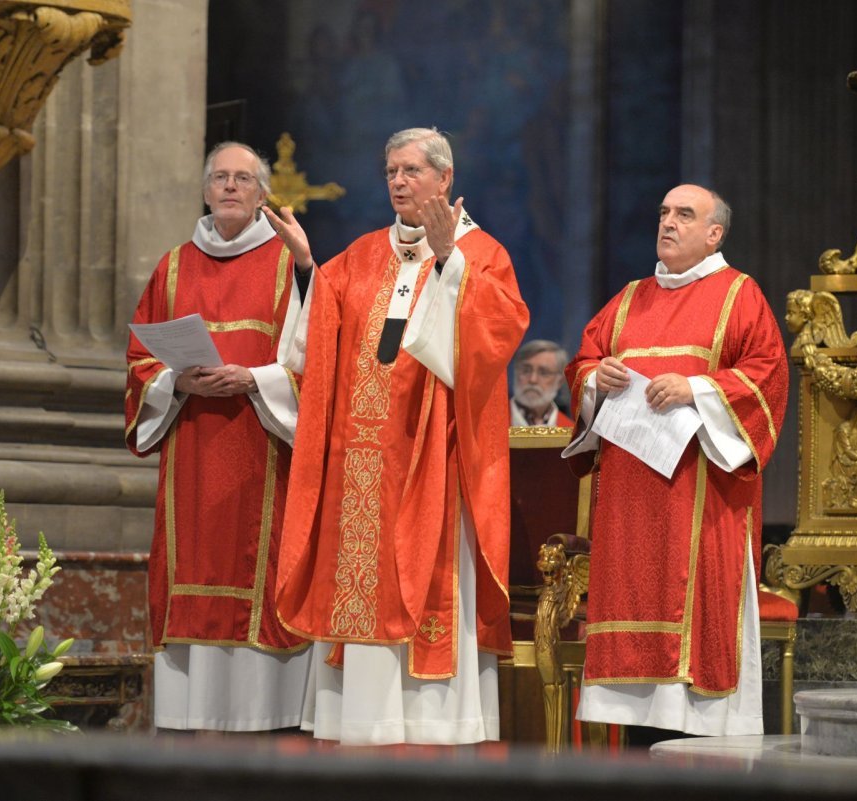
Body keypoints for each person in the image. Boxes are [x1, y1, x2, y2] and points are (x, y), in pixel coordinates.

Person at [263, 127, 528, 745]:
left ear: (445, 180)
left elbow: (494, 337)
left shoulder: (481, 252)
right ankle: (361, 718)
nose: (399, 182)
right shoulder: (358, 256)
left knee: (427, 575)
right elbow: (315, 341)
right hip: (359, 460)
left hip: (433, 457)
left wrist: (447, 260)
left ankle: (432, 725)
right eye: (390, 172)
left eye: (411, 171)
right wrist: (306, 267)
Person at [562, 184, 788, 737]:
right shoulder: (629, 298)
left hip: (701, 499)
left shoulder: (739, 295)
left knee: (692, 694)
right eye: (663, 212)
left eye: (684, 214)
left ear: (714, 233)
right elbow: (584, 363)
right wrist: (596, 378)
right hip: (629, 509)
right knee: (637, 705)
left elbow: (768, 378)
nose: (668, 222)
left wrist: (697, 391)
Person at [125, 141, 315, 732]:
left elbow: (321, 361)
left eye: (243, 179)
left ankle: (269, 726)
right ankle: (190, 729)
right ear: (206, 190)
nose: (231, 187)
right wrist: (175, 382)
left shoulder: (289, 264)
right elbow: (139, 361)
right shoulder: (173, 266)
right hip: (192, 455)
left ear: (262, 193)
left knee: (258, 567)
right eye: (221, 178)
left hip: (264, 452)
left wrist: (252, 377)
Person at [510, 339, 573, 427]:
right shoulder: (491, 422)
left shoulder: (572, 432)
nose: (533, 380)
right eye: (525, 370)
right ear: (515, 372)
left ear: (560, 381)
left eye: (544, 373)